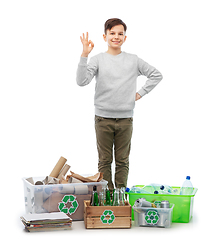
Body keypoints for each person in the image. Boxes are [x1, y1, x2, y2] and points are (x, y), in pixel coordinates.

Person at [76, 18, 163, 191]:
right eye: (112, 33)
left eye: (120, 34)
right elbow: (81, 81)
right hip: (103, 118)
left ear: (125, 37)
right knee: (104, 161)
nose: (116, 37)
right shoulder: (98, 59)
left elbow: (156, 75)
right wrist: (84, 55)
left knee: (122, 160)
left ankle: (121, 195)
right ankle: (107, 196)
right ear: (105, 36)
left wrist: (140, 93)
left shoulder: (133, 60)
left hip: (125, 119)